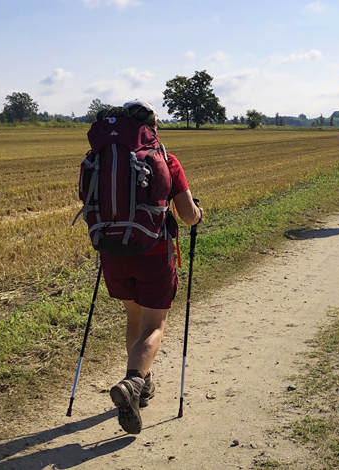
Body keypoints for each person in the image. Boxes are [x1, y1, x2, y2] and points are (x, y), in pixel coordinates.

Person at [101, 100, 203, 434]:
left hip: (114, 252)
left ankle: (142, 384)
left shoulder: (100, 159)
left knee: (134, 319)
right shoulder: (165, 160)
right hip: (153, 253)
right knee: (154, 325)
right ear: (152, 127)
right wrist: (199, 214)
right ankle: (132, 384)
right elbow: (188, 216)